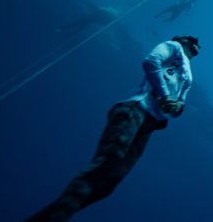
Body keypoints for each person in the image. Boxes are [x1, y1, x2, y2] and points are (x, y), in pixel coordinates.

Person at [25, 36, 201, 222]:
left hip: (150, 124)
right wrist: (165, 96)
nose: (197, 43)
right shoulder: (173, 47)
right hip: (136, 109)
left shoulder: (188, 76)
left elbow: (181, 104)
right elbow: (151, 61)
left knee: (109, 182)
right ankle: (57, 217)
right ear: (182, 40)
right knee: (107, 163)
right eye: (192, 40)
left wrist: (176, 107)